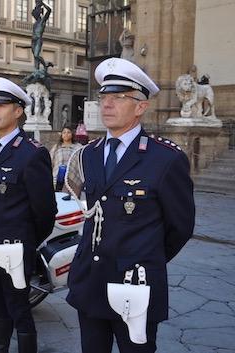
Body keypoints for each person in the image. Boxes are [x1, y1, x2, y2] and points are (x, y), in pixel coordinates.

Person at [65, 58, 195, 353]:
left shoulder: (165, 159)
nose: (107, 104)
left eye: (118, 97)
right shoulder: (90, 154)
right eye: (103, 97)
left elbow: (180, 227)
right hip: (91, 283)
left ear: (140, 106)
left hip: (134, 287)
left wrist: (144, 257)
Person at [0, 77, 57, 353]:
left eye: (2, 105)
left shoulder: (31, 154)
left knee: (19, 309)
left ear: (18, 111)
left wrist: (25, 243)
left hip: (15, 251)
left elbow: (46, 212)